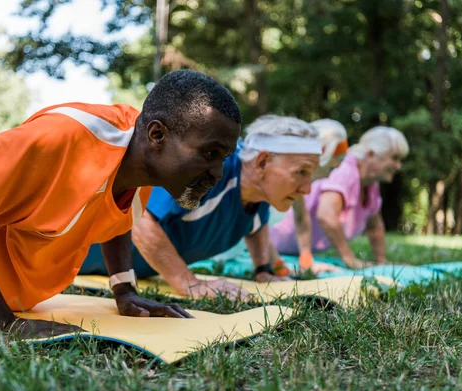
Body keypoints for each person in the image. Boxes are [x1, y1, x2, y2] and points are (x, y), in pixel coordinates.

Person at [0, 70, 241, 339]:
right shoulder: (66, 136)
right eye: (210, 154)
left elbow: (115, 215)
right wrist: (2, 324)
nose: (216, 173)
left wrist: (124, 290)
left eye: (224, 158)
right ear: (156, 136)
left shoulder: (141, 158)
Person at [80, 115, 322, 300]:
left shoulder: (259, 194)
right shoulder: (212, 167)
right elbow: (140, 217)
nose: (307, 189)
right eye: (301, 172)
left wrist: (263, 269)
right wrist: (188, 282)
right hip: (77, 256)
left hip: (131, 269)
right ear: (262, 162)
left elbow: (254, 223)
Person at [269, 126, 409, 270]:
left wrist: (381, 262)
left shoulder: (371, 184)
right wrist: (349, 259)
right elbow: (325, 216)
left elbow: (374, 225)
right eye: (394, 158)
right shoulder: (345, 170)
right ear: (371, 154)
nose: (398, 166)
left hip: (296, 249)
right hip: (276, 241)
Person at [268, 118, 349, 276]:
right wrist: (279, 268)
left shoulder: (300, 184)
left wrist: (306, 261)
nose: (337, 168)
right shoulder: (282, 176)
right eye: (335, 163)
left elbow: (301, 218)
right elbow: (255, 223)